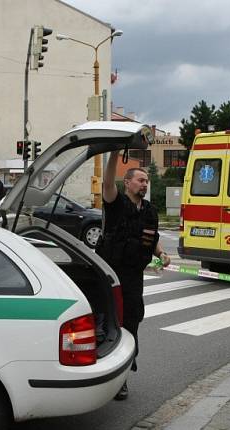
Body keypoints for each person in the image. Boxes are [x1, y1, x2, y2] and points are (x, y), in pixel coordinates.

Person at [96, 152, 171, 400]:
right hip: (112, 276)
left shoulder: (150, 210)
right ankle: (117, 378)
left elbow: (152, 236)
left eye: (146, 180)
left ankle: (126, 367)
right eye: (140, 180)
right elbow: (107, 184)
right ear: (127, 183)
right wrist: (115, 154)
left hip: (134, 278)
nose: (144, 184)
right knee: (113, 324)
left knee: (132, 322)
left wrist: (161, 253)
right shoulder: (116, 203)